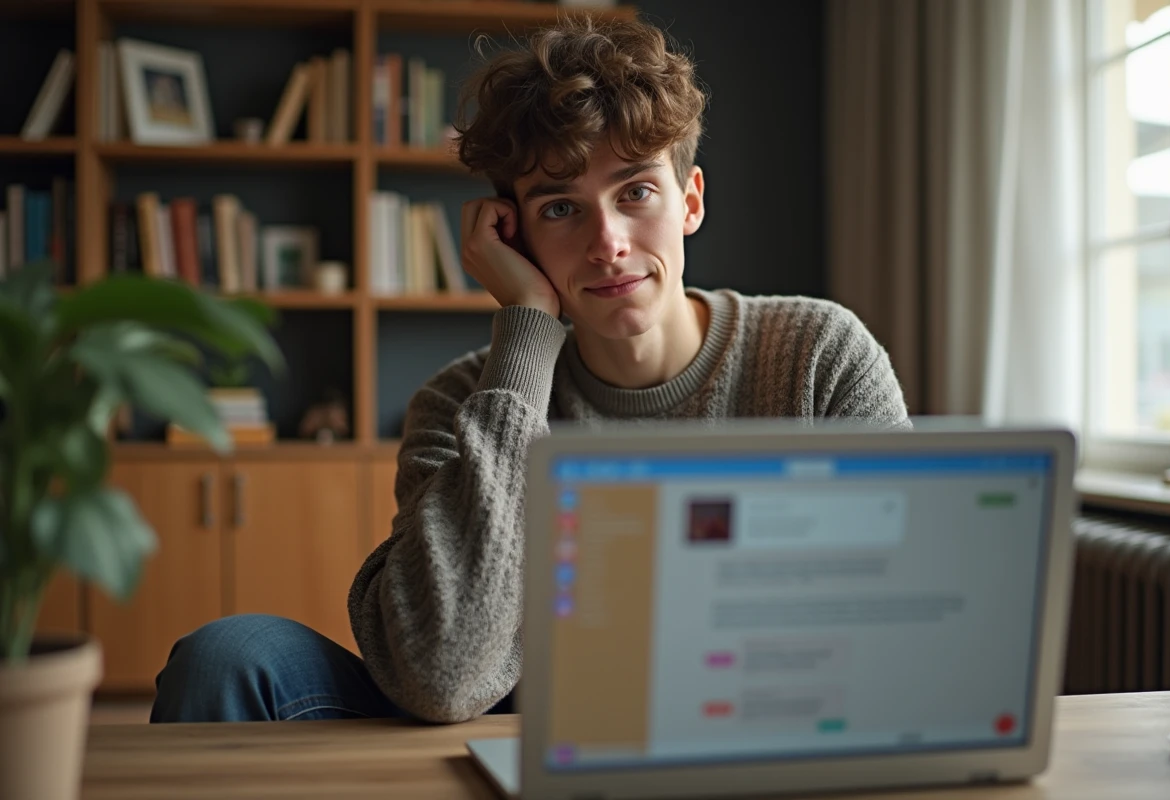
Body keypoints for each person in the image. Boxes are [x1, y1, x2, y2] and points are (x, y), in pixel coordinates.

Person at [150, 15, 908, 725]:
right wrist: (524, 339)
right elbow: (439, 677)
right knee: (228, 659)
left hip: (741, 716)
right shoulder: (459, 399)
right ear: (508, 235)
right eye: (559, 209)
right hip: (506, 728)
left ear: (690, 201)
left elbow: (900, 618)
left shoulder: (817, 357)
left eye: (636, 192)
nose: (606, 242)